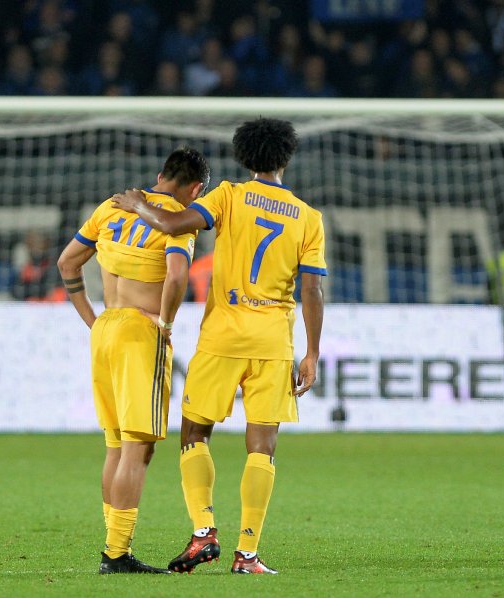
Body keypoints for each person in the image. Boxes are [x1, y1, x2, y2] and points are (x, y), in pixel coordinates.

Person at [112, 118, 327, 575]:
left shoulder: (228, 195)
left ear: (245, 157)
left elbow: (171, 223)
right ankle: (247, 555)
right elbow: (313, 290)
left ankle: (203, 531)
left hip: (223, 335)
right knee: (262, 446)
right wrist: (311, 353)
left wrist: (136, 205)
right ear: (285, 159)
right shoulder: (308, 218)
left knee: (194, 434)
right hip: (273, 341)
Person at [56, 147, 210, 575]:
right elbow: (177, 276)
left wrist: (92, 320)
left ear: (161, 175)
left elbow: (67, 261)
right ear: (196, 188)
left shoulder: (112, 206)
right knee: (137, 451)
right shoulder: (179, 220)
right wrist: (166, 321)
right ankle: (116, 554)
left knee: (115, 446)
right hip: (142, 332)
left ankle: (114, 547)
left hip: (105, 327)